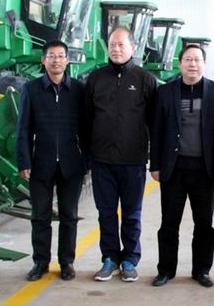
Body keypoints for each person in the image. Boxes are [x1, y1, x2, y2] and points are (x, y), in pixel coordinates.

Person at [150, 44, 214, 288]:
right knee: (169, 223)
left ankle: (201, 270)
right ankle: (166, 270)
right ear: (180, 63)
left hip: (204, 170)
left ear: (204, 64)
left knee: (204, 224)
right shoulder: (165, 91)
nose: (192, 64)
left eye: (197, 60)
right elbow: (156, 130)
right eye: (188, 59)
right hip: (173, 169)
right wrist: (155, 165)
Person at [85, 27, 158, 282]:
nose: (116, 49)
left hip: (133, 161)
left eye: (121, 44)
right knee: (106, 213)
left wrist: (153, 159)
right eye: (112, 44)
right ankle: (109, 258)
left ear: (133, 47)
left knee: (131, 214)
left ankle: (129, 259)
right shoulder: (96, 79)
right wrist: (88, 156)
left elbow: (155, 123)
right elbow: (86, 121)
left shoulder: (145, 80)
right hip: (102, 161)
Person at [16, 40, 87, 282]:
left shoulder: (78, 90)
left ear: (67, 60)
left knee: (69, 215)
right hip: (41, 163)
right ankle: (41, 262)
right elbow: (23, 129)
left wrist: (86, 161)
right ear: (43, 60)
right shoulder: (31, 89)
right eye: (51, 56)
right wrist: (24, 161)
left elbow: (86, 129)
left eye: (60, 56)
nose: (56, 60)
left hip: (72, 163)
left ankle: (66, 262)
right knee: (40, 216)